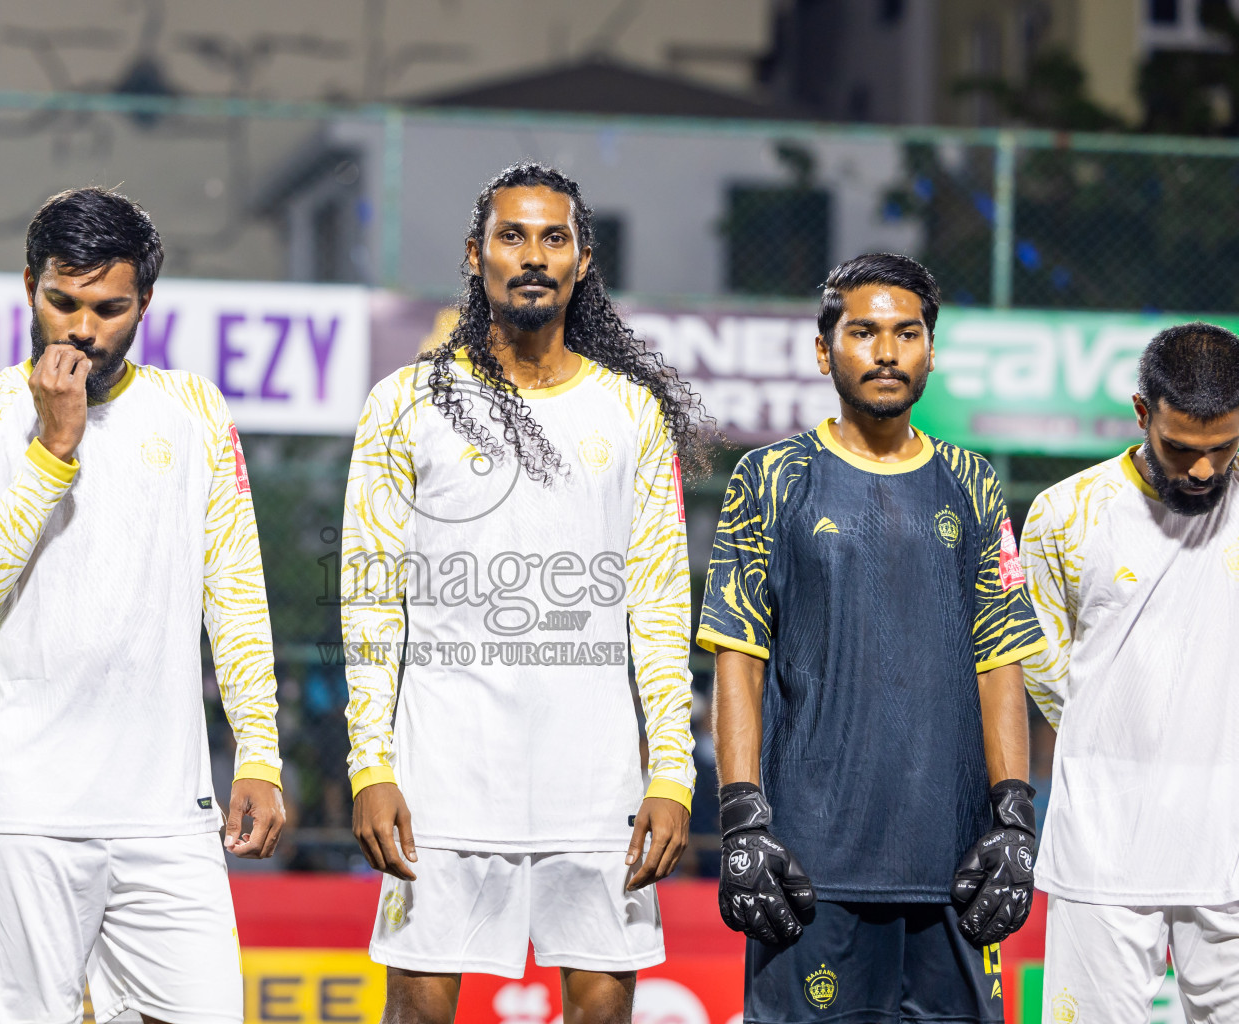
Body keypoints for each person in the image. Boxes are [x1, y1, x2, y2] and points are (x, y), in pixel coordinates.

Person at [341, 163, 705, 1024]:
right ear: (476, 255)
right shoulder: (406, 403)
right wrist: (370, 764)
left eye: (554, 237)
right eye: (513, 236)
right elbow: (369, 596)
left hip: (597, 778)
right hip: (444, 772)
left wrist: (672, 774)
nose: (533, 256)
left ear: (582, 260)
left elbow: (658, 607)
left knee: (602, 1014)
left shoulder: (631, 412)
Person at [0, 188, 284, 1024]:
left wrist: (258, 752)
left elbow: (235, 590)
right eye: (62, 302)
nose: (82, 328)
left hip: (167, 813)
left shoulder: (194, 410)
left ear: (145, 303)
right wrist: (53, 447)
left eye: (109, 307)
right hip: (18, 810)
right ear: (28, 287)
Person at [698, 253, 1045, 1024]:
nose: (887, 351)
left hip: (954, 867)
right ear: (824, 351)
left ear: (931, 349)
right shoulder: (770, 477)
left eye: (907, 333)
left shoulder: (975, 482)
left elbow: (1000, 661)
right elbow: (739, 659)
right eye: (863, 332)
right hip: (808, 865)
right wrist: (743, 818)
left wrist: (1015, 817)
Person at [1021, 322, 1239, 1021]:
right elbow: (1046, 671)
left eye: (1222, 449)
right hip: (1102, 851)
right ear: (1142, 414)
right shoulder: (1064, 515)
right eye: (1181, 449)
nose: (1203, 470)